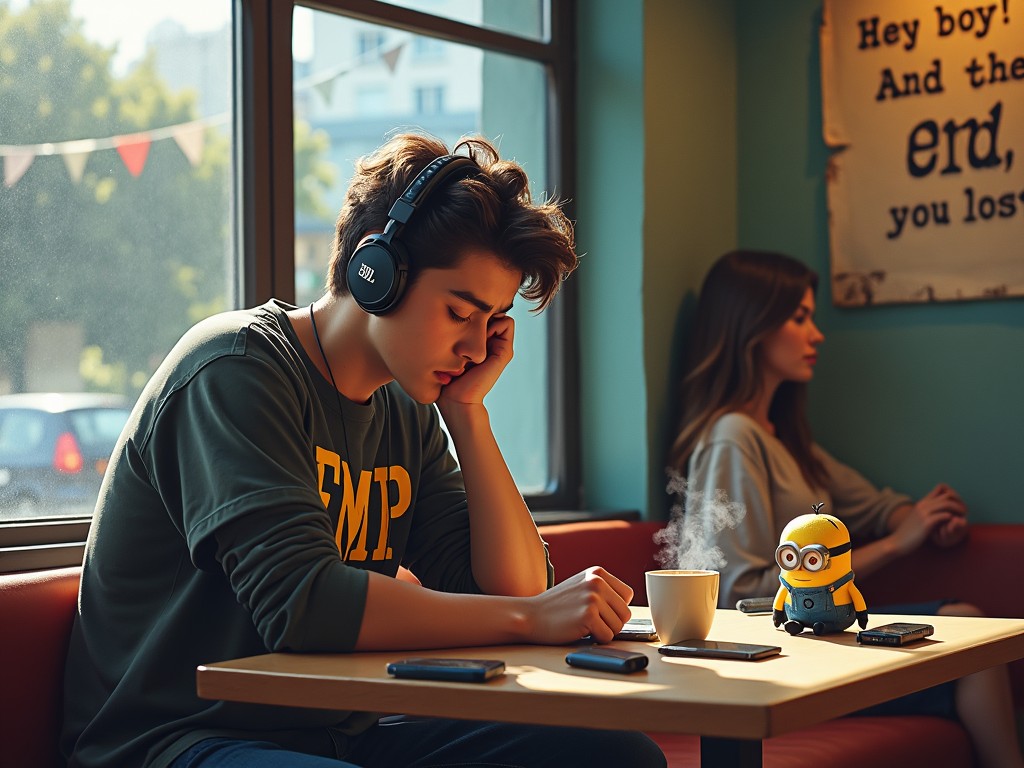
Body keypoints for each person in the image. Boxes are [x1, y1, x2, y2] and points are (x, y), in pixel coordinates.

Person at [61, 133, 667, 768]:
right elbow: (305, 606)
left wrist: (467, 414)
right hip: (176, 738)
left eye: (491, 323)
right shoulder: (235, 370)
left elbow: (508, 587)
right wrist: (527, 620)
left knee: (617, 756)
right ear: (375, 274)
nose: (476, 347)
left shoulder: (408, 410)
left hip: (337, 734)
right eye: (460, 312)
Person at [668, 249, 1022, 768]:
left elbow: (879, 505)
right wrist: (897, 545)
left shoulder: (784, 440)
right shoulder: (732, 438)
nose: (818, 335)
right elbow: (736, 596)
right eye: (800, 318)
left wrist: (922, 524)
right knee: (966, 638)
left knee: (968, 633)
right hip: (781, 648)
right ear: (753, 327)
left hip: (818, 636)